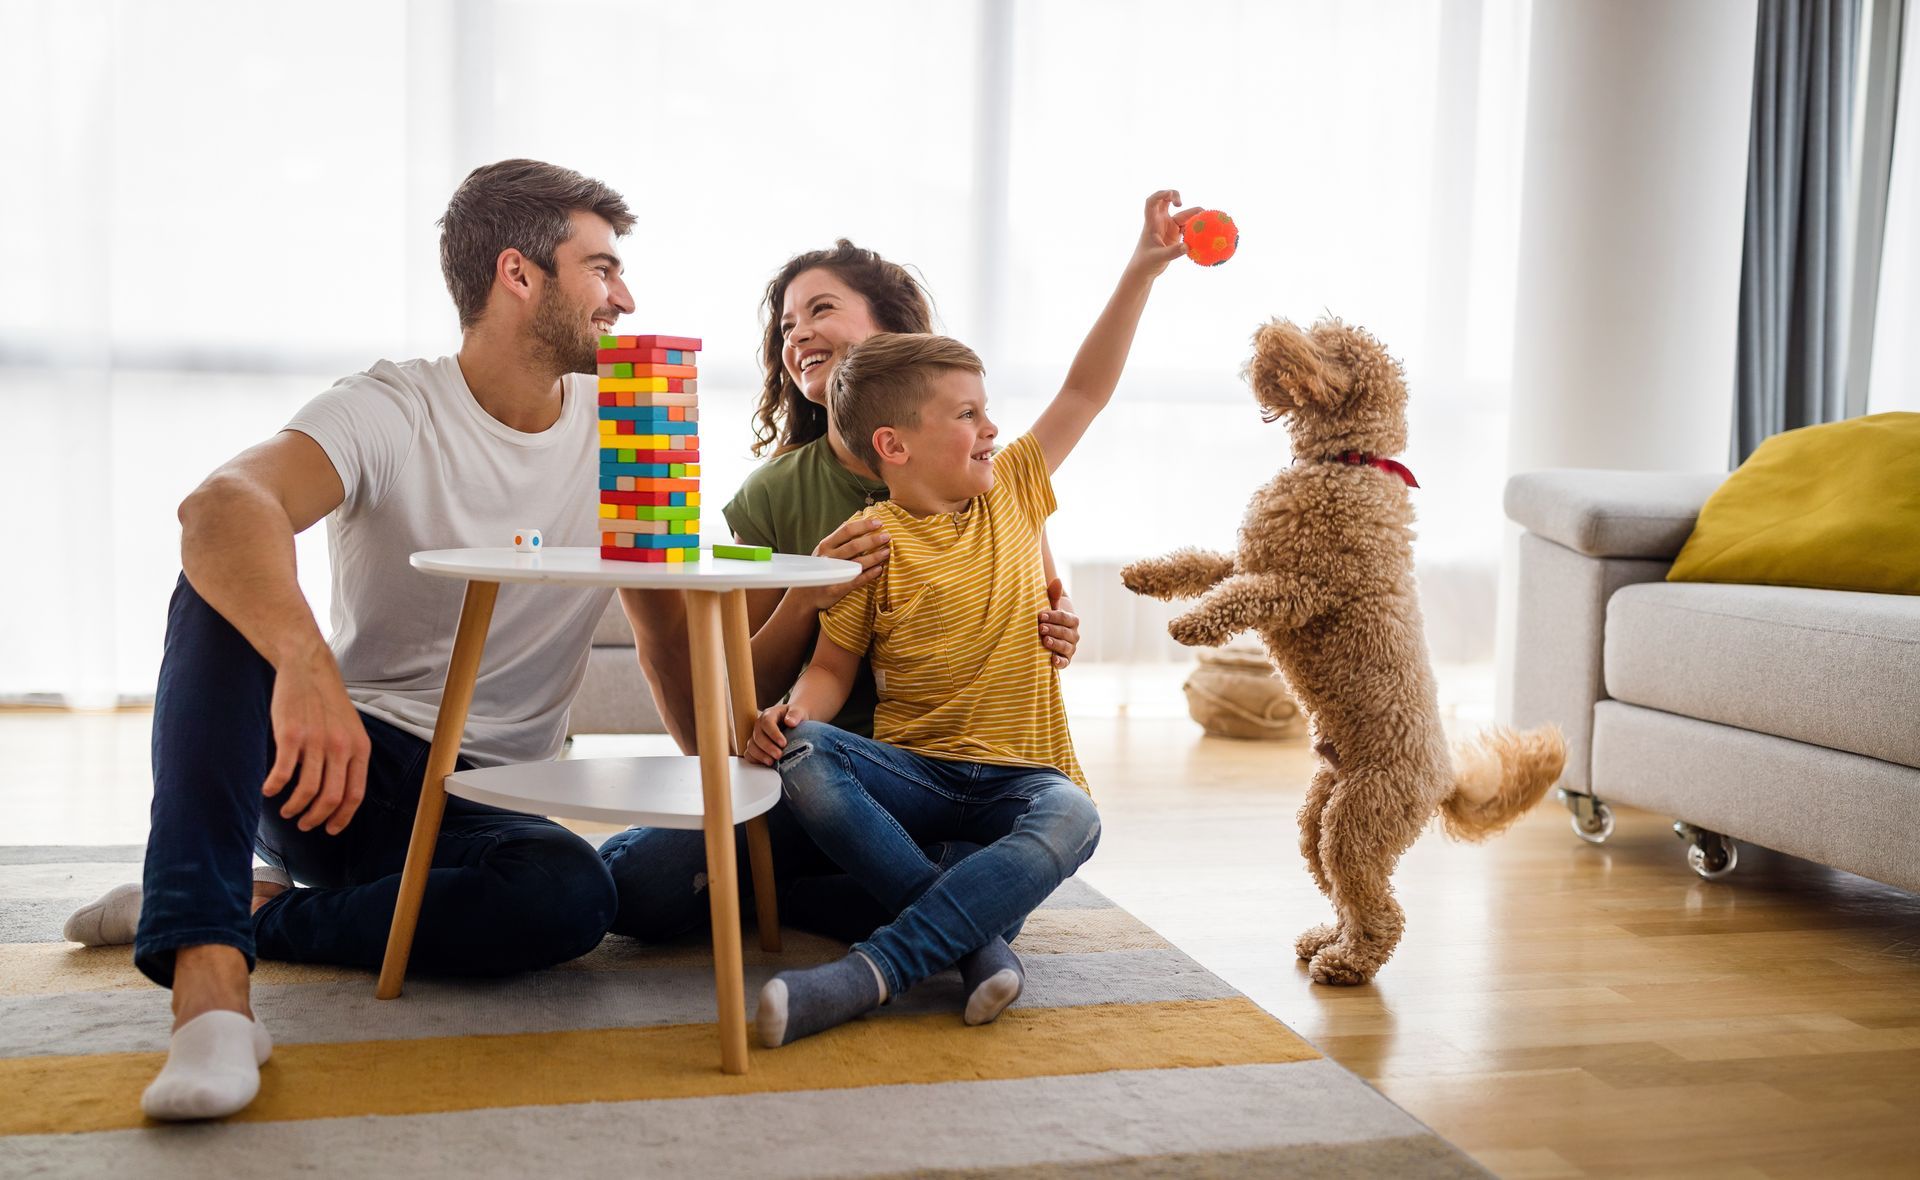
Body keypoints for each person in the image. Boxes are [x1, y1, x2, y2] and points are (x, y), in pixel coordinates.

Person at [61, 159, 640, 1120]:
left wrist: (722, 754)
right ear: (518, 275)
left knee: (570, 894)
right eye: (603, 269)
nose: (625, 297)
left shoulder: (624, 418)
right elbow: (220, 503)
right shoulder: (392, 405)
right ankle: (208, 987)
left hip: (493, 796)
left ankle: (251, 911)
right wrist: (306, 663)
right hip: (345, 772)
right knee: (215, 584)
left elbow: (660, 607)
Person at [745, 191, 1197, 1046]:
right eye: (968, 415)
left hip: (1016, 784)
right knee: (803, 754)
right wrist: (791, 714)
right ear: (895, 445)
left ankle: (859, 977)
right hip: (918, 785)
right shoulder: (870, 543)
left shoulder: (1018, 487)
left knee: (1076, 816)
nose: (994, 428)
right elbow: (833, 672)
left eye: (987, 410)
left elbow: (1087, 388)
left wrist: (1142, 267)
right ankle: (974, 943)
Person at [601, 242, 1082, 943]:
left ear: (894, 333)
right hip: (817, 779)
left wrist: (1061, 626)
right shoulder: (771, 495)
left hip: (948, 776)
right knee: (632, 884)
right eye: (786, 325)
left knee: (1005, 855)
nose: (796, 333)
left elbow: (1040, 598)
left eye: (819, 309)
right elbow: (739, 692)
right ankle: (923, 905)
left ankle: (826, 895)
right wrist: (806, 598)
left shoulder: (983, 480)